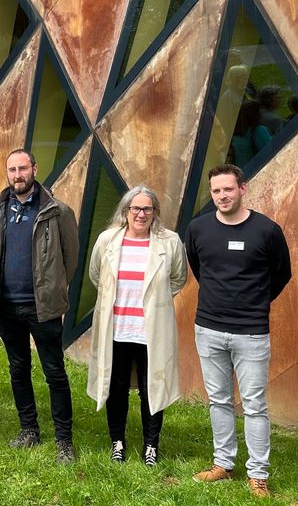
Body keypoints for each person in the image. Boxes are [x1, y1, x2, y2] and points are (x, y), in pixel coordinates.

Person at [186, 164, 291, 498]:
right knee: (218, 400)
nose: (222, 196)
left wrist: (254, 302)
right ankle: (223, 464)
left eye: (228, 189)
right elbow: (200, 268)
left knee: (254, 404)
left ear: (242, 189)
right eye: (216, 191)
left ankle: (257, 475)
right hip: (209, 329)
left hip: (251, 333)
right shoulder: (198, 229)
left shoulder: (266, 230)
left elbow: (281, 274)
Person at [0, 149, 79, 464]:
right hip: (9, 308)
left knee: (54, 372)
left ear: (35, 169)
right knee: (18, 369)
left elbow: (70, 260)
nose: (17, 175)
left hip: (43, 308)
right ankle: (29, 429)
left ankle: (63, 440)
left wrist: (51, 289)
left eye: (22, 168)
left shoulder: (57, 211)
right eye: (11, 169)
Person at [86, 186, 187, 466]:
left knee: (151, 387)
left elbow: (178, 279)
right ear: (125, 211)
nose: (141, 214)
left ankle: (151, 445)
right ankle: (117, 441)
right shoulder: (108, 240)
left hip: (151, 331)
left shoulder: (169, 241)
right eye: (135, 209)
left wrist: (156, 303)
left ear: (155, 213)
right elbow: (97, 275)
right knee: (115, 387)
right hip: (117, 329)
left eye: (147, 209)